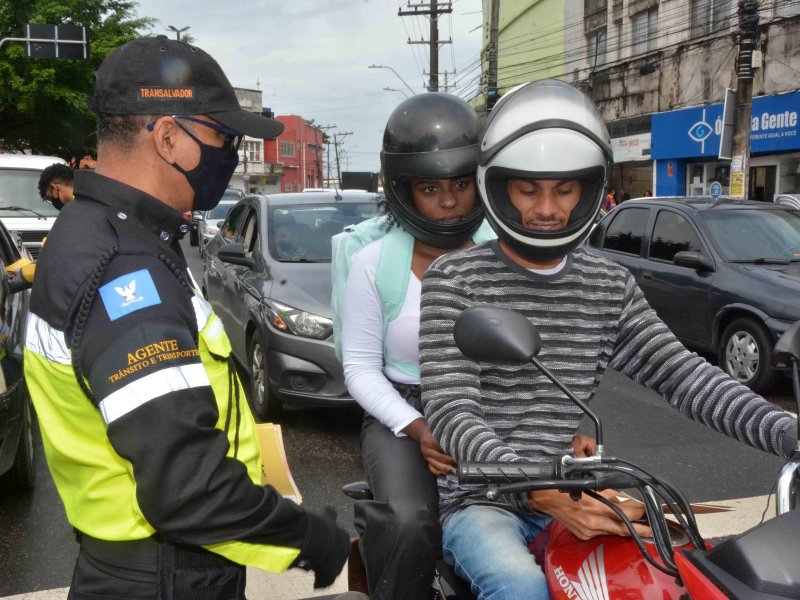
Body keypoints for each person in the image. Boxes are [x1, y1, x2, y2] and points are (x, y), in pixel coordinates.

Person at [418, 79, 799, 600]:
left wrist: (788, 433)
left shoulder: (607, 284)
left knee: (676, 574)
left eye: (565, 188)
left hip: (576, 489)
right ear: (500, 185)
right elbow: (452, 410)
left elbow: (684, 376)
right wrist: (538, 490)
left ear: (590, 189)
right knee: (518, 586)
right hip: (482, 500)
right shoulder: (454, 279)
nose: (548, 208)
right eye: (529, 189)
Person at [24, 36, 352, 599]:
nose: (229, 153)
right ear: (170, 137)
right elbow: (187, 486)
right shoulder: (124, 267)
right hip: (166, 578)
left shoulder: (94, 232)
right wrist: (312, 538)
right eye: (222, 137)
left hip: (129, 566)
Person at [337, 92, 494, 600]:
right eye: (431, 187)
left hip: (490, 408)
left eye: (462, 184)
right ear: (404, 190)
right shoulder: (373, 263)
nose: (449, 201)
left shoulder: (503, 256)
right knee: (410, 522)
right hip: (402, 413)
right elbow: (360, 369)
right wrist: (419, 427)